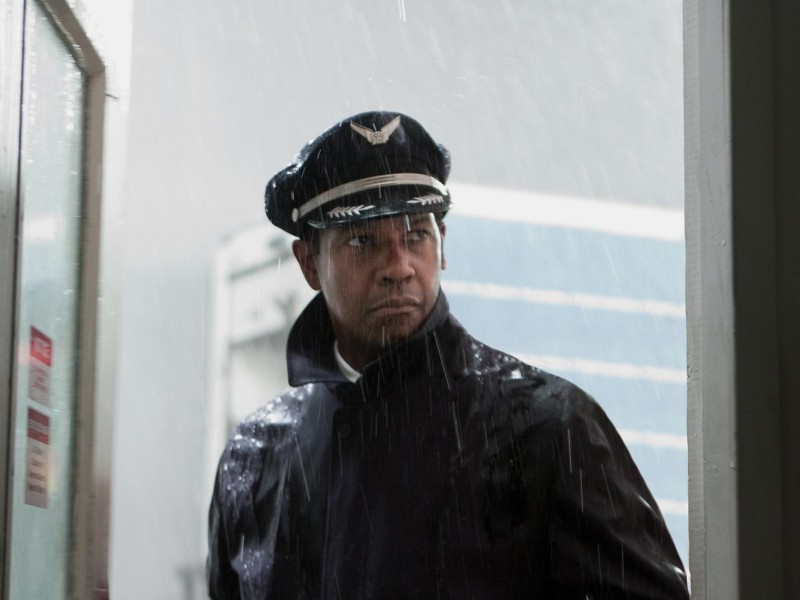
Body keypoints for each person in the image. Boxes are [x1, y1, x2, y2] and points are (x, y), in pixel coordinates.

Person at [206, 111, 690, 599]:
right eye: (362, 240)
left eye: (415, 234)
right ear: (310, 264)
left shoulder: (547, 430)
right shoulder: (255, 456)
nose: (398, 266)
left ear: (441, 246)